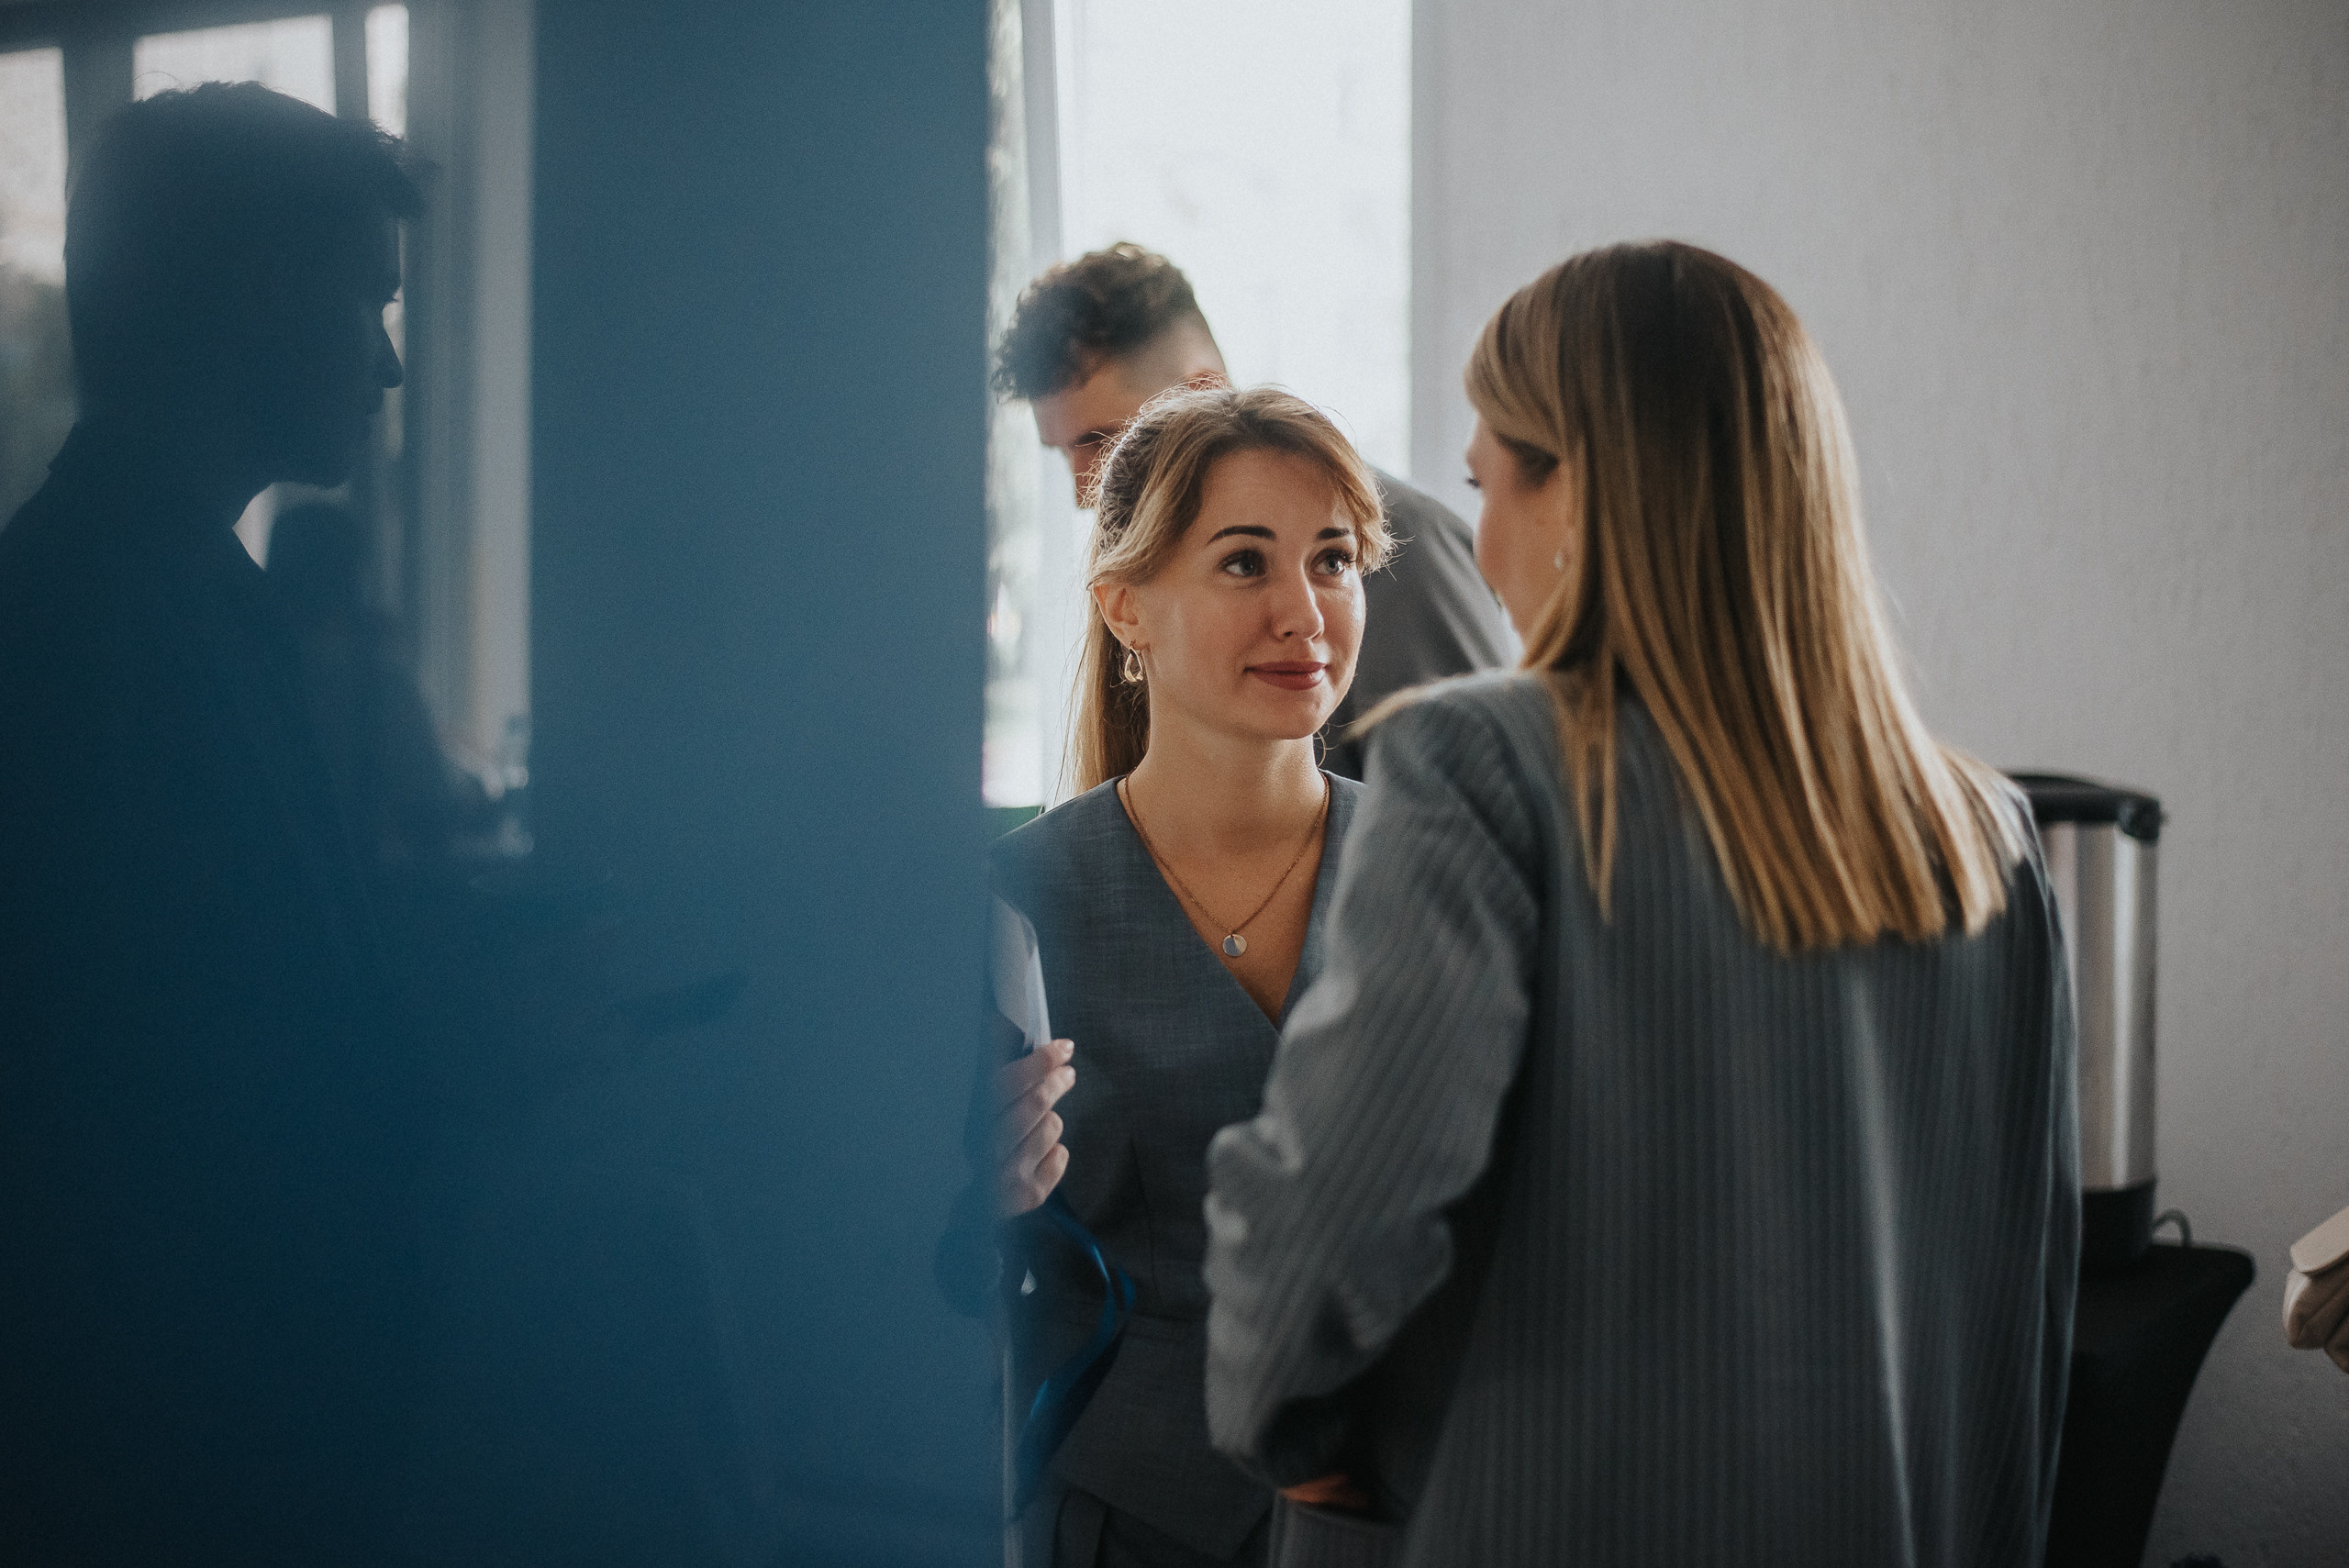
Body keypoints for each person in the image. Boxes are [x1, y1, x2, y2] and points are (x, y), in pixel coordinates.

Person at [1201, 242, 2079, 1566]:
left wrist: (1288, 1424)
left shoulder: (1485, 764)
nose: (1482, 547)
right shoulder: (1987, 834)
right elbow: (2023, 1325)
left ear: (1578, 494)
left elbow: (1335, 1207)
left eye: (1487, 483)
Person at [0, 84, 422, 1564]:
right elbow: (126, 1114)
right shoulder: (97, 629)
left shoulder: (149, 600)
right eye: (363, 300)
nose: (384, 360)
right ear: (253, 297)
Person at [939, 385, 1389, 1566]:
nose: (1305, 610)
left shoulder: (1450, 879)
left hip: (1414, 1509)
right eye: (1246, 563)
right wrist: (966, 1200)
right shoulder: (1007, 903)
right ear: (1126, 605)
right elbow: (922, 1279)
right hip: (1124, 1522)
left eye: (1332, 559)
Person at [995, 243, 1510, 778]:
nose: (1084, 490)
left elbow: (1483, 806)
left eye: (1102, 442)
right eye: (1064, 452)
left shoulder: (1404, 541)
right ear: (1124, 608)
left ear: (1204, 393)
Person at [268, 497, 497, 875]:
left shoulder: (240, 673)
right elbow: (427, 806)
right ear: (355, 579)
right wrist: (479, 800)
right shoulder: (375, 685)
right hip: (359, 895)